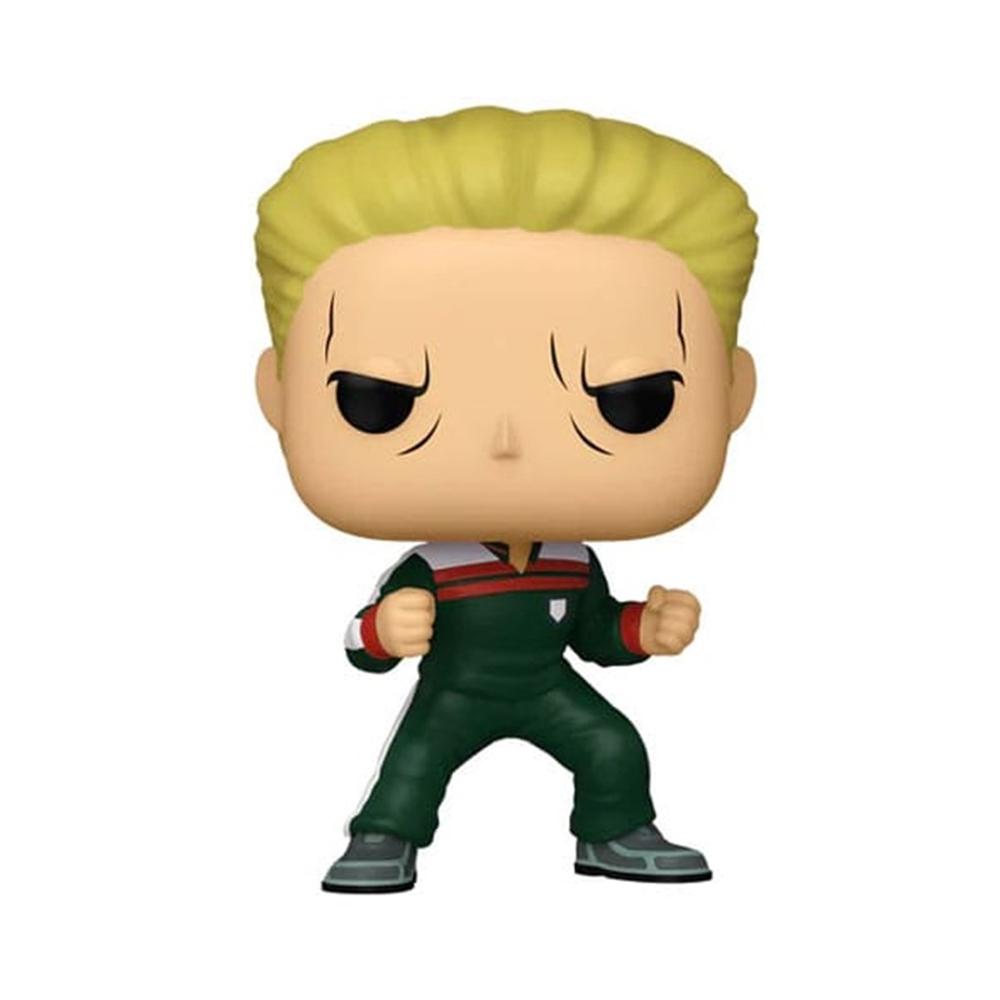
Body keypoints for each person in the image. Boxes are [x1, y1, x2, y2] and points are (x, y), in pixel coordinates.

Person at [254, 107, 758, 892]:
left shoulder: (571, 559)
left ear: (732, 395)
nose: (504, 442)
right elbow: (361, 645)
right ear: (279, 397)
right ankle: (383, 837)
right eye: (379, 399)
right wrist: (386, 629)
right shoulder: (434, 566)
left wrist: (645, 629)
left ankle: (615, 830)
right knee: (413, 764)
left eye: (630, 400)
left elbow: (595, 630)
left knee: (613, 744)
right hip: (453, 692)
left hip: (546, 686)